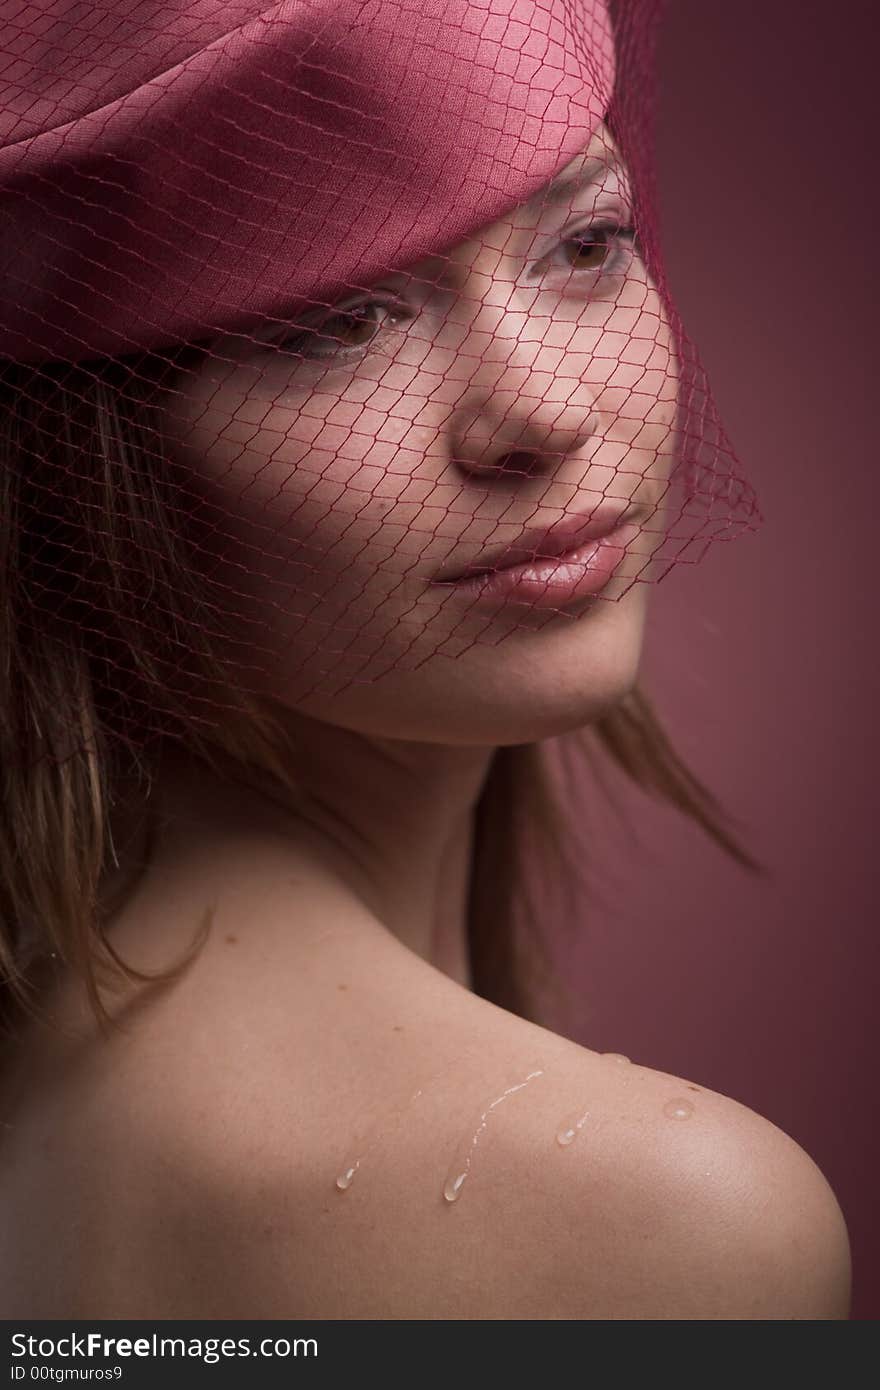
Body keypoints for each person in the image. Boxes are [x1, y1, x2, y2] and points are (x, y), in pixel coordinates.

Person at [0, 0, 851, 1318]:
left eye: (584, 242)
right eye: (334, 324)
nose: (540, 411)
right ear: (94, 470)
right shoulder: (666, 1221)